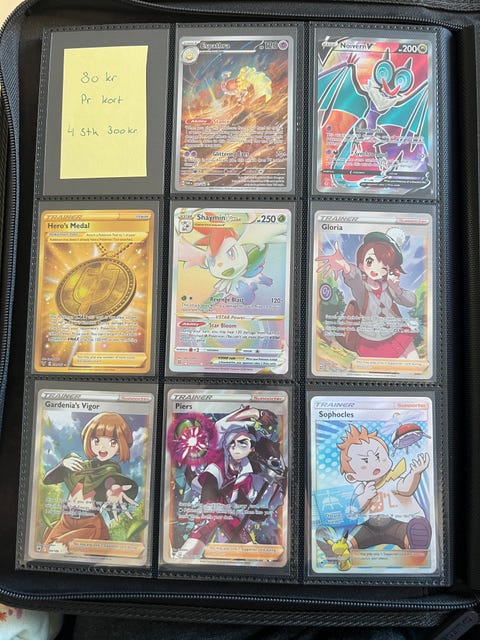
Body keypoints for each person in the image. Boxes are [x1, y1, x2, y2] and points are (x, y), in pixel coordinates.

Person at [319, 424, 431, 571]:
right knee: (357, 535)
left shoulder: (392, 480)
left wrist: (415, 474)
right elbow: (354, 510)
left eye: (378, 456)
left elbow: (406, 489)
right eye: (365, 461)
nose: (375, 463)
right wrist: (365, 496)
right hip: (369, 526)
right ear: (352, 477)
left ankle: (414, 543)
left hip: (397, 522)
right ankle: (339, 549)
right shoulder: (360, 489)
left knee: (404, 532)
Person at [42, 412, 138, 548]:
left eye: (112, 442)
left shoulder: (111, 469)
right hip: (66, 520)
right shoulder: (78, 465)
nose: (103, 447)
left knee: (57, 546)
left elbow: (110, 480)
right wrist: (62, 464)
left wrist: (113, 489)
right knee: (45, 547)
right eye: (97, 440)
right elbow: (47, 480)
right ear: (89, 440)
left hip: (89, 524)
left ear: (120, 446)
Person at [319, 228, 419, 358]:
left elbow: (411, 301)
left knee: (413, 360)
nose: (376, 269)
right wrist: (345, 266)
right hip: (371, 338)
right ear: (361, 265)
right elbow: (355, 279)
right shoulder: (362, 289)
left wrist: (396, 288)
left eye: (383, 267)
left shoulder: (389, 287)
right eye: (370, 261)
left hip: (396, 332)